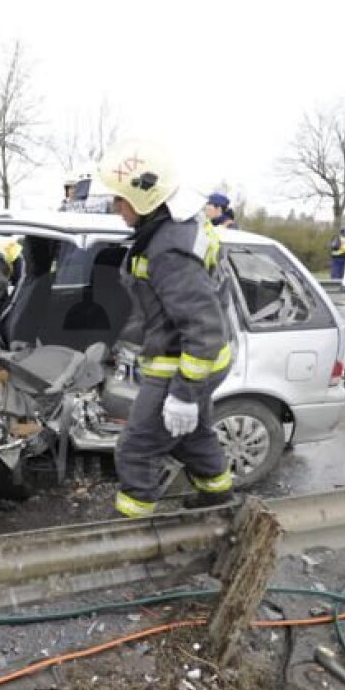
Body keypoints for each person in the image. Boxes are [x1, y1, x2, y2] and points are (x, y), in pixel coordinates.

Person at [96, 139, 235, 517]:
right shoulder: (177, 227)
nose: (115, 207)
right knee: (193, 437)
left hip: (185, 363)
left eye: (119, 200)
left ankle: (131, 531)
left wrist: (184, 394)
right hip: (195, 359)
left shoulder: (168, 251)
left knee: (137, 447)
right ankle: (218, 500)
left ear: (143, 201)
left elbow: (203, 328)